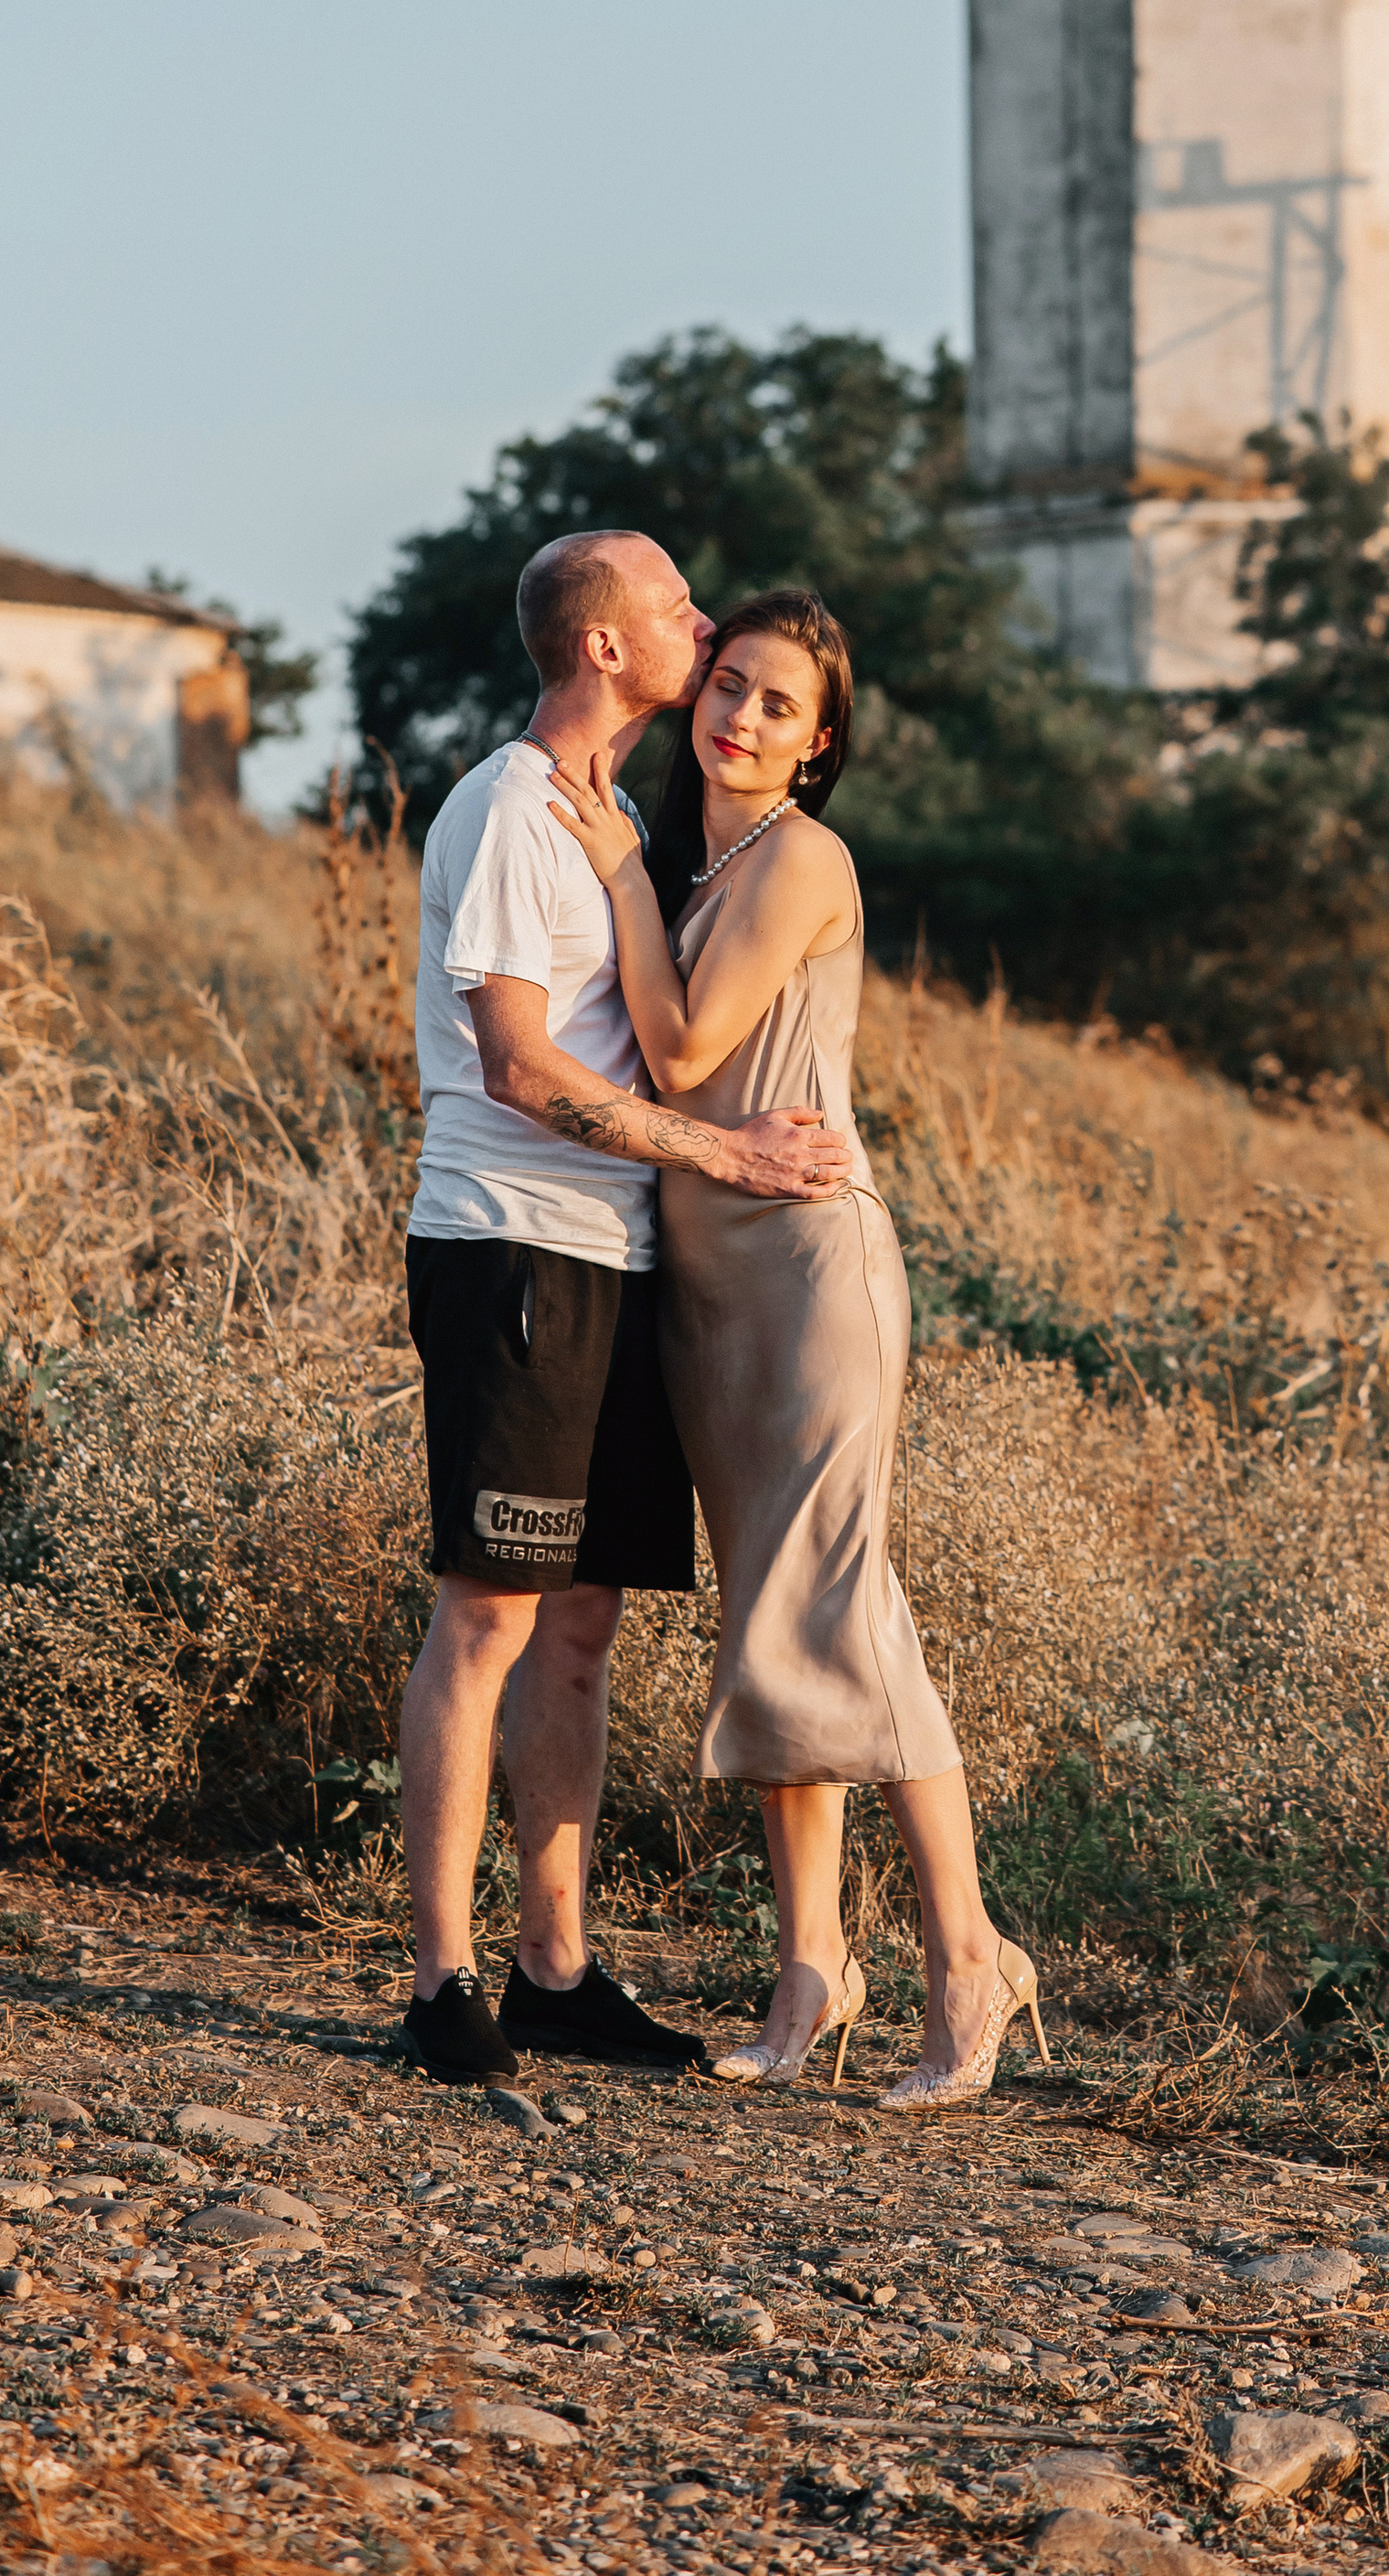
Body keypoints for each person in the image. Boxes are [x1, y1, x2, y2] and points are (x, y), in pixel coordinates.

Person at [544, 587, 1048, 2112]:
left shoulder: (797, 856)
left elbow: (688, 1047)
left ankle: (969, 1955)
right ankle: (811, 1969)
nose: (742, 717)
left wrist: (623, 865)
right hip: (710, 1293)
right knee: (774, 1613)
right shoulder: (714, 859)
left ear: (820, 743)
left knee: (837, 1598)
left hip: (814, 1277)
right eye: (732, 686)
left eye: (780, 706)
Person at [398, 531, 851, 2087]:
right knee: (490, 1612)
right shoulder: (517, 809)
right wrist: (723, 1149)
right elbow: (520, 1064)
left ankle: (557, 1970)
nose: (701, 621)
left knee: (581, 1628)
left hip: (614, 1254)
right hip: (511, 1241)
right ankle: (443, 1987)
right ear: (604, 648)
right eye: (673, 608)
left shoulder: (624, 825)